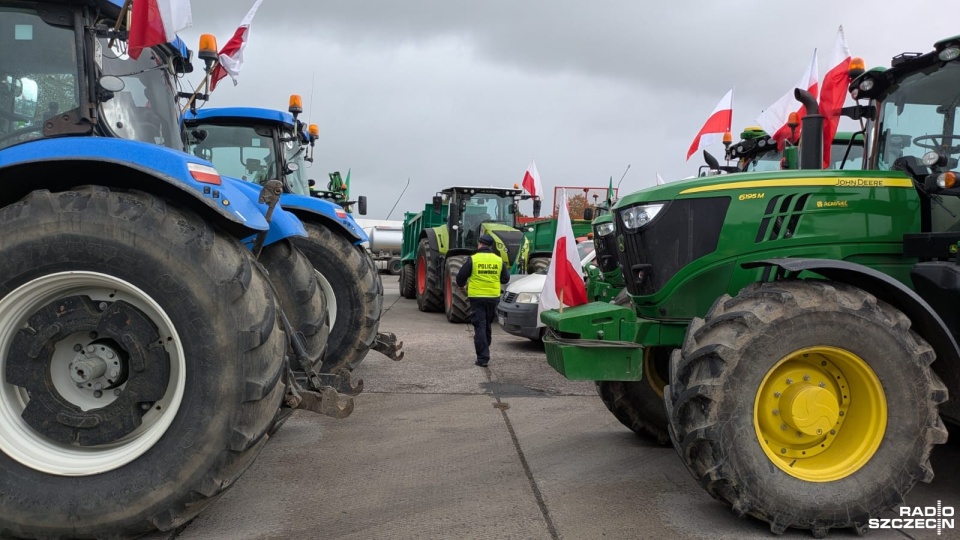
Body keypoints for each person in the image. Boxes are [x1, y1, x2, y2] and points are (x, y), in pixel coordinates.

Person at [456, 234, 509, 367]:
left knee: (479, 326)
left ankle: (483, 358)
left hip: (477, 298)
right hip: (493, 298)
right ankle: (485, 346)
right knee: (487, 325)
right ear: (491, 246)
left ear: (479, 244)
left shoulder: (473, 259)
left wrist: (462, 286)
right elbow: (505, 279)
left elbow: (460, 278)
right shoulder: (498, 260)